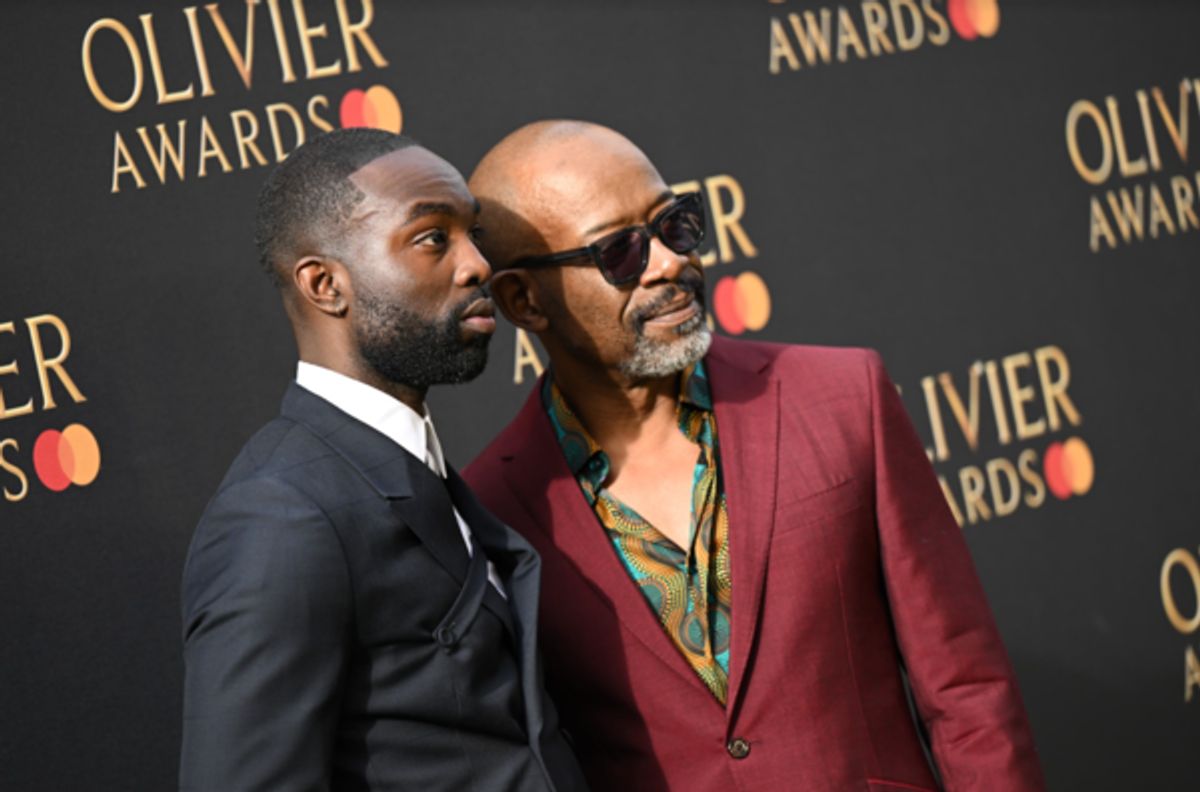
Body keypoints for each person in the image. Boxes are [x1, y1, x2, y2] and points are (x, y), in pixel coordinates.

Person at [462, 120, 1046, 792]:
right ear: (521, 300)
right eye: (619, 252)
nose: (669, 261)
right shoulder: (493, 511)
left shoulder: (840, 398)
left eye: (675, 225)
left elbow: (968, 693)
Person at [179, 128, 587, 792]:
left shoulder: (407, 464)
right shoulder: (282, 518)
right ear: (325, 285)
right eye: (433, 238)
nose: (479, 264)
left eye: (474, 234)